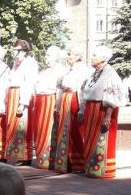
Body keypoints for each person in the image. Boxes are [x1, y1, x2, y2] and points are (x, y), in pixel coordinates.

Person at [78, 45, 125, 179]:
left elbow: (113, 94)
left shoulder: (110, 73)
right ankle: (91, 168)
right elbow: (85, 92)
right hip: (91, 110)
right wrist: (82, 110)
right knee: (90, 139)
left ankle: (103, 170)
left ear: (103, 58)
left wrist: (108, 116)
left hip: (102, 110)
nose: (92, 58)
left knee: (102, 140)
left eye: (94, 56)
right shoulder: (94, 74)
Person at [54, 48, 92, 174]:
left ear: (77, 56)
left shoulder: (83, 70)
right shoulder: (68, 71)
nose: (68, 57)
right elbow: (60, 87)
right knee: (65, 132)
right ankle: (67, 162)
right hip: (66, 99)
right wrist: (58, 106)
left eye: (70, 55)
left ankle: (79, 162)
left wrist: (82, 108)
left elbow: (83, 90)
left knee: (76, 131)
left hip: (74, 99)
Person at [31, 45, 67, 170]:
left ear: (56, 57)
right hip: (40, 101)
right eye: (46, 55)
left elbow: (59, 89)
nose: (46, 58)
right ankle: (41, 158)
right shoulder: (44, 71)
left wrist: (57, 106)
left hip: (50, 100)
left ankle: (49, 160)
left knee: (49, 130)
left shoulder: (61, 70)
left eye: (49, 55)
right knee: (40, 129)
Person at [5, 39, 38, 165]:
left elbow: (29, 82)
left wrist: (23, 103)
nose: (15, 53)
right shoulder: (15, 63)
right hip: (13, 95)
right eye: (14, 50)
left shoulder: (30, 63)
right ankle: (16, 154)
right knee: (13, 124)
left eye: (17, 50)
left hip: (21, 95)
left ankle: (25, 156)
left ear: (24, 51)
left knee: (22, 125)